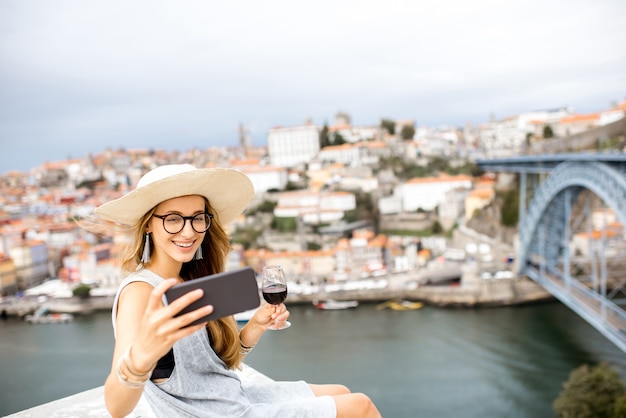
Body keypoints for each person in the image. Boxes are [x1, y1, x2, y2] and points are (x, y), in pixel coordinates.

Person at [88, 164, 381, 418]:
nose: (189, 232)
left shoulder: (191, 278)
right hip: (214, 413)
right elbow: (116, 407)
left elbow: (215, 366)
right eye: (173, 219)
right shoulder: (141, 292)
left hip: (230, 398)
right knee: (360, 406)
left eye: (197, 218)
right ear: (149, 224)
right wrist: (140, 357)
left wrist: (254, 327)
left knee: (340, 391)